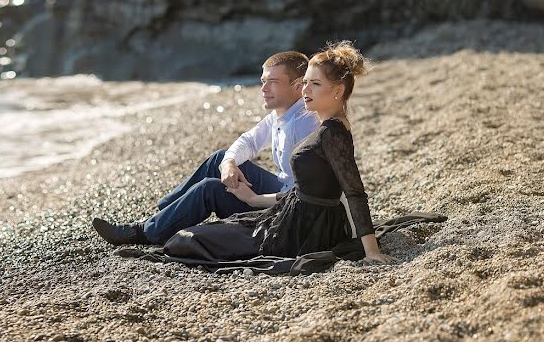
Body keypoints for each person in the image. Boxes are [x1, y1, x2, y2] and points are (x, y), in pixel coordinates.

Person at [157, 40, 393, 264]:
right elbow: (302, 188)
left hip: (305, 226)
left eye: (315, 84)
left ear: (338, 91)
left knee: (190, 237)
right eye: (306, 83)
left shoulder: (328, 131)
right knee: (217, 175)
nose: (305, 90)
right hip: (293, 210)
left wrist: (371, 250)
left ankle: (157, 225)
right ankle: (162, 214)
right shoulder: (323, 124)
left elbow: (354, 192)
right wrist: (252, 198)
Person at [92, 50, 320, 245]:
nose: (263, 89)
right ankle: (163, 215)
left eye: (273, 82)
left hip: (286, 212)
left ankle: (143, 232)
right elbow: (248, 141)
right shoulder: (281, 114)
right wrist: (230, 163)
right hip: (281, 189)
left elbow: (304, 192)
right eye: (263, 81)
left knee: (210, 188)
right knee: (220, 159)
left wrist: (254, 199)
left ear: (297, 86)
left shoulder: (304, 123)